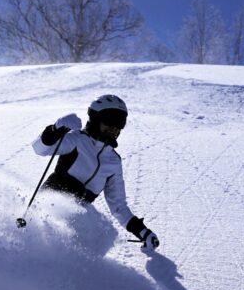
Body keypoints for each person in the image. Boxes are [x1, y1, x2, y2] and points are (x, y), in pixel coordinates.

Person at [31, 94, 159, 250]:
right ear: (96, 118)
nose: (115, 127)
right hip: (47, 209)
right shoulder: (77, 140)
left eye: (120, 122)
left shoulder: (114, 162)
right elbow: (39, 149)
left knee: (100, 236)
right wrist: (55, 129)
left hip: (76, 220)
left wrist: (142, 232)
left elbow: (118, 206)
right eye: (110, 120)